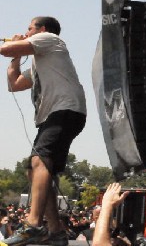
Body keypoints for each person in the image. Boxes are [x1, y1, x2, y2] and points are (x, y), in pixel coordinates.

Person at [0, 16, 87, 246]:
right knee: (36, 169)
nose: (26, 32)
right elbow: (14, 83)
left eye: (29, 28)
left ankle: (34, 224)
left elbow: (4, 49)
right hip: (56, 115)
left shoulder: (50, 40)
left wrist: (15, 45)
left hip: (65, 110)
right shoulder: (41, 61)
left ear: (42, 30)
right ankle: (56, 231)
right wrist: (17, 56)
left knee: (39, 162)